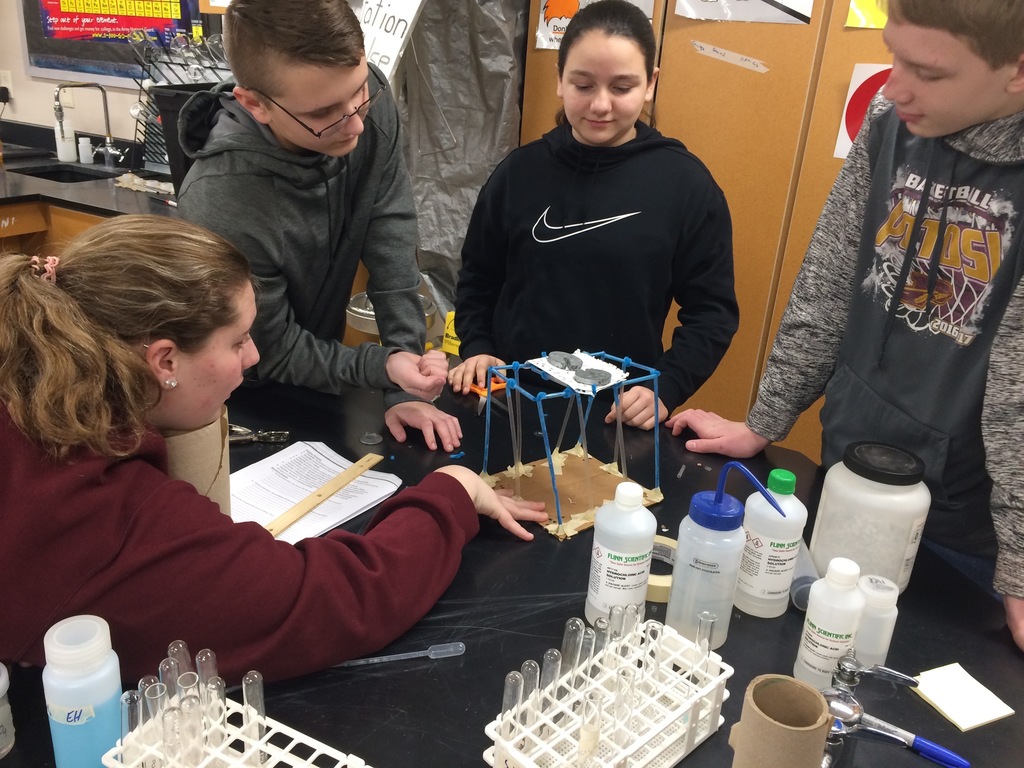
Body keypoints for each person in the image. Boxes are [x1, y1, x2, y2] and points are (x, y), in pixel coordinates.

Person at [0, 215, 548, 682]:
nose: (255, 355)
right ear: (164, 361)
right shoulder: (103, 513)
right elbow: (334, 601)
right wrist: (452, 492)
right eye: (237, 340)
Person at [667, 0, 1024, 652]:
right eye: (893, 52)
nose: (893, 85)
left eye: (928, 71)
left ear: (1017, 71)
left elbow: (1018, 394)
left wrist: (1021, 566)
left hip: (974, 542)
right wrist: (765, 419)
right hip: (847, 482)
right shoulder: (890, 124)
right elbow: (829, 285)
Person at [176, 0, 461, 453]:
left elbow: (391, 235)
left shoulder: (366, 103)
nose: (356, 125)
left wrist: (406, 385)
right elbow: (272, 351)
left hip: (314, 375)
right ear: (255, 104)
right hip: (237, 396)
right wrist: (384, 366)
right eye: (323, 113)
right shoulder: (223, 197)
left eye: (360, 90)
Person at [448, 0, 738, 430]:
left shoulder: (686, 186)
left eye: (622, 87)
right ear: (560, 80)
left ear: (650, 83)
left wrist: (669, 385)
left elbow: (712, 311)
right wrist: (477, 346)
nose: (601, 105)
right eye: (583, 85)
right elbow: (478, 277)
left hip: (615, 417)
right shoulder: (519, 173)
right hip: (510, 402)